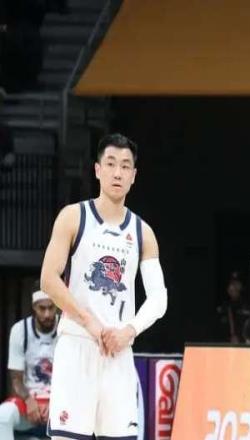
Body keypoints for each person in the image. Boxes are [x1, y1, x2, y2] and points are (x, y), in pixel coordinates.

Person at [40, 133, 168, 439]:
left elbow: (158, 298)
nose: (117, 172)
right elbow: (48, 278)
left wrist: (129, 331)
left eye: (125, 166)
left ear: (134, 176)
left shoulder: (143, 233)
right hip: (78, 346)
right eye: (110, 164)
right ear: (97, 170)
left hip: (118, 352)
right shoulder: (73, 217)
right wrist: (90, 323)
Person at [0, 287, 58, 440]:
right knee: (3, 415)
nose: (47, 314)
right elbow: (16, 379)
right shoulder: (20, 330)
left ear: (57, 306)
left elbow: (75, 376)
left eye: (51, 308)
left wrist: (56, 401)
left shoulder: (66, 328)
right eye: (42, 308)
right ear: (34, 307)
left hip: (60, 400)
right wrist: (28, 400)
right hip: (29, 401)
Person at [216, 271, 250, 343]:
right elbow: (216, 331)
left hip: (244, 345)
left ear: (241, 286)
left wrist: (240, 338)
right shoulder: (223, 308)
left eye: (236, 284)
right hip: (225, 346)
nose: (233, 287)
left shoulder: (248, 307)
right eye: (231, 284)